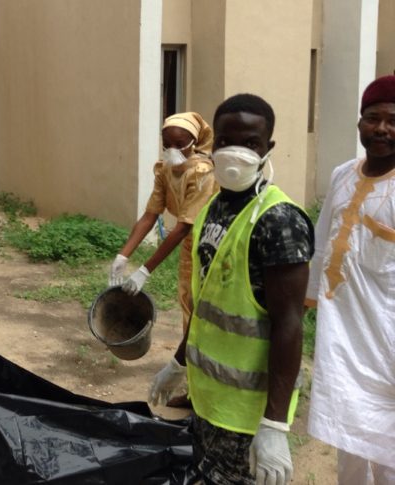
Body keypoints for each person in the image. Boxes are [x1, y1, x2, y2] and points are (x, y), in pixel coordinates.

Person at [148, 94, 314, 485]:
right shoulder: (214, 208)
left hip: (247, 416)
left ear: (267, 148)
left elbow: (290, 325)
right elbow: (208, 301)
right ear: (213, 144)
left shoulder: (279, 222)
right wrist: (179, 362)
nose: (235, 152)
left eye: (250, 143)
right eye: (225, 141)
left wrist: (274, 425)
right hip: (209, 403)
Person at [305, 75, 395, 483]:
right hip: (342, 341)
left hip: (388, 346)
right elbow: (322, 246)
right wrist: (305, 302)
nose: (381, 129)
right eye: (372, 118)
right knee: (350, 445)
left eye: (392, 120)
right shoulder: (343, 173)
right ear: (359, 123)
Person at [110, 112, 217, 337]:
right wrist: (123, 256)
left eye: (180, 144)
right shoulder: (165, 169)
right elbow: (150, 215)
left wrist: (145, 270)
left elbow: (183, 227)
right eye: (167, 144)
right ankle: (187, 360)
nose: (172, 150)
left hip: (212, 243)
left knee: (207, 302)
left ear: (194, 142)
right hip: (191, 244)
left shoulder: (202, 173)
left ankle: (195, 359)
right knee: (188, 299)